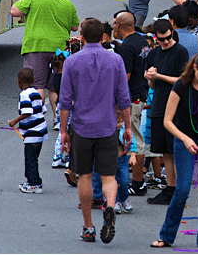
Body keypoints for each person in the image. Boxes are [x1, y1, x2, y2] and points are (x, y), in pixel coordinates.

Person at [59, 18, 132, 244]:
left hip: (81, 127)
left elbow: (65, 102)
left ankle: (88, 226)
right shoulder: (115, 60)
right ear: (103, 37)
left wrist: (63, 132)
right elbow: (124, 97)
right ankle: (110, 206)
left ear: (81, 37)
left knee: (85, 176)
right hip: (108, 127)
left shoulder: (72, 62)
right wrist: (128, 126)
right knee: (109, 176)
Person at [151, 54, 198, 250]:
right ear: (194, 68)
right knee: (182, 189)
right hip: (184, 138)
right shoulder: (181, 86)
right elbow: (167, 121)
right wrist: (185, 138)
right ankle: (166, 235)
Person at [10, 0, 80, 104]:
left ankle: (38, 116)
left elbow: (14, 11)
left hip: (36, 47)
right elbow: (75, 27)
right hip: (59, 49)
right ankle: (57, 119)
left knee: (37, 85)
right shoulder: (66, 2)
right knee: (55, 87)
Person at [144, 19, 190, 206]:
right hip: (158, 104)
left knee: (175, 150)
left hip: (176, 107)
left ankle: (178, 189)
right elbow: (152, 85)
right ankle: (170, 187)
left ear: (172, 32)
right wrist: (150, 78)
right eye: (161, 39)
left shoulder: (180, 51)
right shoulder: (153, 54)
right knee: (164, 152)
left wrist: (159, 76)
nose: (165, 42)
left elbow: (183, 80)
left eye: (168, 38)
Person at [112, 11, 151, 197]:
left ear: (119, 26)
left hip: (131, 97)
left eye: (114, 24)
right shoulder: (141, 41)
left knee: (134, 139)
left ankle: (137, 183)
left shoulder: (126, 47)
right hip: (140, 92)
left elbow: (124, 77)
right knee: (134, 137)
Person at [8, 67, 48, 194]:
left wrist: (15, 121)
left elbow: (27, 111)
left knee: (30, 159)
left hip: (33, 133)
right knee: (33, 157)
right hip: (41, 131)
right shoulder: (36, 92)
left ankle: (35, 184)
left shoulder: (24, 95)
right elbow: (44, 110)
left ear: (18, 81)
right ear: (33, 80)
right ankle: (31, 180)